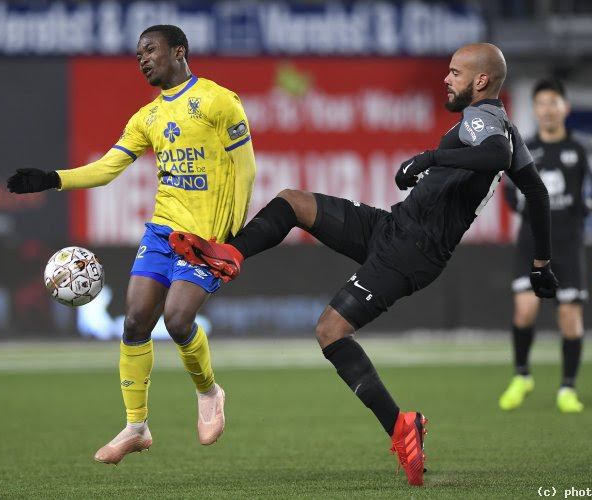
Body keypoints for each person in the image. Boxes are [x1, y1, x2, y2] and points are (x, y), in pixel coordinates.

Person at [168, 43, 558, 487]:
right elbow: (538, 193)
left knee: (330, 331)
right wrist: (542, 263)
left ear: (481, 81)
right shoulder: (506, 127)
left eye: (454, 72)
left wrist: (430, 157)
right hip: (393, 226)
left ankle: (401, 427)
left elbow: (494, 158)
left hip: (412, 250)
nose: (446, 79)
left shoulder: (482, 119)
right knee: (293, 202)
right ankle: (230, 256)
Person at [6, 25, 256, 464]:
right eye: (138, 53)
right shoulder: (147, 118)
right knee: (136, 320)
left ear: (179, 51)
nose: (142, 58)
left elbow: (245, 169)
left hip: (205, 236)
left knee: (178, 321)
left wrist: (228, 235)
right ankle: (136, 426)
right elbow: (107, 168)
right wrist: (52, 179)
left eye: (150, 50)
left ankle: (210, 392)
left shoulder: (219, 100)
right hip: (162, 232)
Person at [499, 78, 592, 413]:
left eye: (553, 103)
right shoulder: (525, 148)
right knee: (524, 310)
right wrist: (528, 213)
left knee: (569, 316)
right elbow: (507, 189)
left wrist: (587, 207)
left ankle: (567, 388)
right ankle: (521, 375)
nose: (547, 110)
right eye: (541, 104)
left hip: (568, 241)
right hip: (531, 241)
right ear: (535, 110)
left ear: (565, 107)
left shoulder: (583, 146)